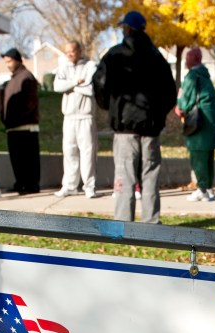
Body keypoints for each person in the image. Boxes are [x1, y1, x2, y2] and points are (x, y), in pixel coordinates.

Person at [94, 10, 176, 224]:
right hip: (151, 128)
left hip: (125, 129)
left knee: (125, 177)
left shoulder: (114, 55)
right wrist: (158, 116)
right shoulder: (157, 58)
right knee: (150, 177)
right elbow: (170, 93)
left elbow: (100, 84)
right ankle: (152, 225)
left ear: (128, 29)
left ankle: (123, 226)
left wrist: (110, 108)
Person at [52, 40, 98, 199]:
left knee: (88, 152)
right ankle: (70, 185)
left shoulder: (90, 66)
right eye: (67, 52)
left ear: (79, 50)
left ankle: (89, 186)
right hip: (69, 116)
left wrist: (70, 86)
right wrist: (75, 83)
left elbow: (91, 89)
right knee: (69, 151)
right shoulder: (63, 67)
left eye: (71, 51)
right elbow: (57, 87)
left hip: (85, 116)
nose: (69, 54)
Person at [175, 47, 215, 202]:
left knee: (198, 157)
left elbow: (185, 101)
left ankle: (202, 190)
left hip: (199, 124)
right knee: (208, 157)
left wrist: (179, 104)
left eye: (187, 58)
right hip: (211, 122)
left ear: (193, 60)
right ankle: (208, 188)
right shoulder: (205, 76)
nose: (185, 61)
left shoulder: (192, 77)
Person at [0, 48, 40, 195]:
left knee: (28, 158)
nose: (7, 64)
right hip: (13, 126)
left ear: (17, 60)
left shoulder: (26, 77)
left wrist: (15, 117)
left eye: (9, 61)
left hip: (25, 126)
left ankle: (31, 185)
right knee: (17, 159)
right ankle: (21, 183)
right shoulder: (13, 79)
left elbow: (30, 102)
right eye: (6, 62)